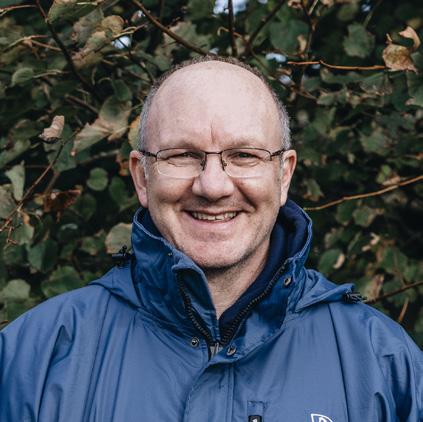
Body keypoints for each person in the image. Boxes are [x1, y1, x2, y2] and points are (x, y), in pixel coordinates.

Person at [0, 56, 422, 422]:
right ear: (141, 177)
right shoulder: (33, 358)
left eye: (244, 155)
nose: (213, 186)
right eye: (183, 155)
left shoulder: (382, 362)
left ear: (284, 175)